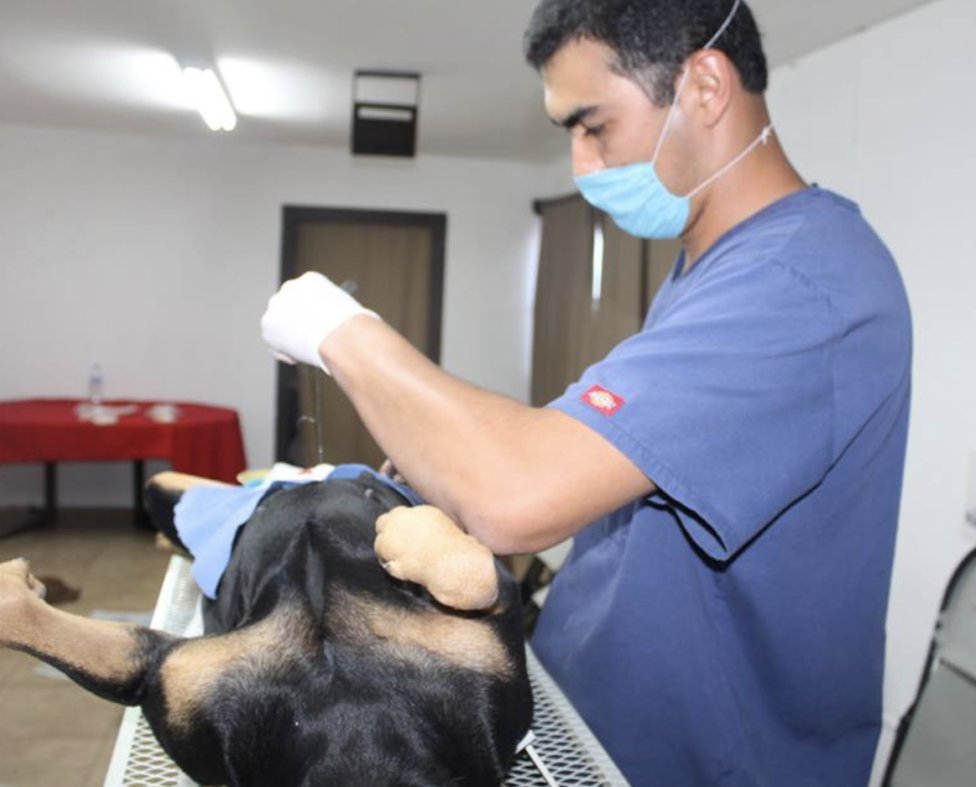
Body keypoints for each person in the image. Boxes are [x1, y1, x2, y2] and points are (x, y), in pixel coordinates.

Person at [260, 0, 912, 784]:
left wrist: (340, 327)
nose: (581, 164)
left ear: (705, 86)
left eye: (594, 125)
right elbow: (577, 460)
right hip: (591, 725)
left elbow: (519, 492)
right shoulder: (712, 270)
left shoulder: (802, 281)